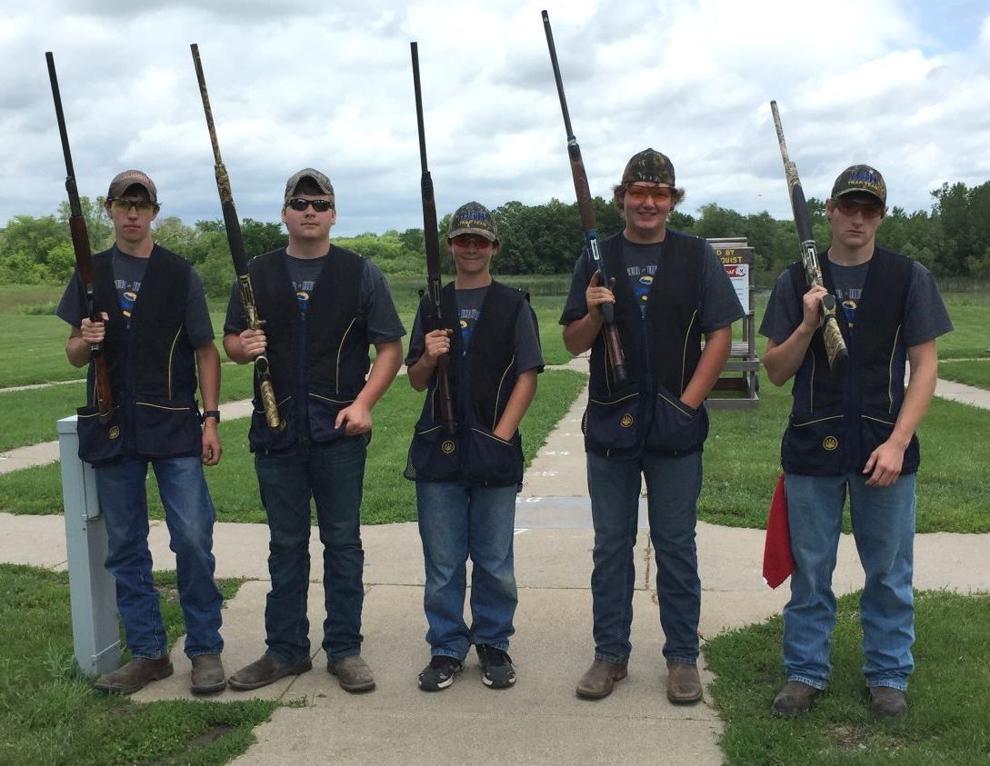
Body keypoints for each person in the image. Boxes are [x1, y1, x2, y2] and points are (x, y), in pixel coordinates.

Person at [760, 165, 951, 718]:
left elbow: (925, 365)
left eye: (870, 209)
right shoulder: (797, 280)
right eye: (849, 207)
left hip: (883, 448)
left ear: (881, 216)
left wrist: (898, 442)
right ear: (830, 210)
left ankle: (888, 673)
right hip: (811, 446)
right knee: (812, 567)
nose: (858, 218)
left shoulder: (908, 276)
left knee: (890, 571)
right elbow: (774, 371)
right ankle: (805, 671)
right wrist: (805, 325)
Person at [560, 149, 744, 703]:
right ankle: (610, 656)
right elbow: (571, 342)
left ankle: (682, 658)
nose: (647, 203)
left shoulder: (695, 256)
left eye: (659, 194)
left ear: (672, 200)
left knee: (676, 545)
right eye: (638, 193)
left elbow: (721, 336)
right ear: (621, 198)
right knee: (611, 546)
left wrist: (687, 405)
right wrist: (593, 311)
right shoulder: (595, 257)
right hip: (611, 425)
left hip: (675, 426)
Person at [223, 168, 404, 693]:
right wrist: (243, 349)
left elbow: (389, 347)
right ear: (284, 212)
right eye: (300, 202)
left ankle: (344, 650)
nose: (310, 211)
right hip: (276, 433)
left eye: (320, 203)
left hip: (338, 433)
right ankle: (285, 650)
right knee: (285, 545)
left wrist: (365, 402)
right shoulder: (254, 272)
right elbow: (233, 340)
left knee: (343, 544)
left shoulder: (360, 273)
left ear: (333, 214)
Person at [56, 170, 226, 695]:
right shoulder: (90, 273)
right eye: (123, 204)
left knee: (193, 539)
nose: (133, 213)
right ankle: (150, 654)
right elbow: (73, 353)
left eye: (142, 204)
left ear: (154, 210)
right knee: (126, 545)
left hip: (174, 423)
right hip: (113, 427)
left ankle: (204, 650)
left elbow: (205, 348)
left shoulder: (180, 274)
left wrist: (212, 417)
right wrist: (86, 339)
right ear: (109, 209)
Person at [404, 202, 543, 691]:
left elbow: (528, 373)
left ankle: (493, 642)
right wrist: (429, 355)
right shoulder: (432, 304)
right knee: (442, 560)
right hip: (438, 446)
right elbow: (416, 380)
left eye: (480, 240)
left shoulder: (514, 304)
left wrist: (502, 436)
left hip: (492, 444)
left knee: (494, 560)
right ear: (450, 245)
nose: (471, 248)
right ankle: (445, 646)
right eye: (463, 239)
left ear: (494, 247)